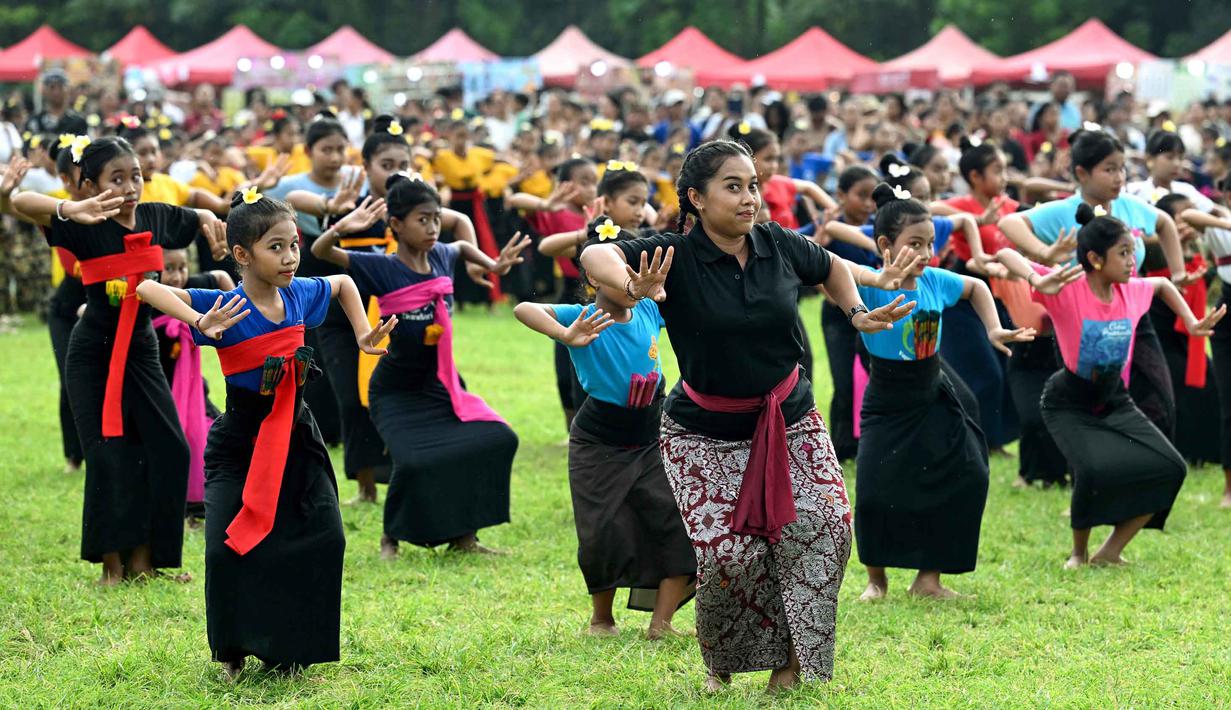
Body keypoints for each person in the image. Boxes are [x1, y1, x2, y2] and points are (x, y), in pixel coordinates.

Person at [580, 139, 914, 691]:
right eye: (732, 187)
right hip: (703, 431)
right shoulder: (674, 254)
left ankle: (791, 665)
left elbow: (831, 266)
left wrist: (856, 311)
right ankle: (724, 663)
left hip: (790, 417)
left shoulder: (777, 243)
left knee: (826, 526)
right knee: (729, 554)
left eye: (753, 185)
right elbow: (597, 256)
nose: (749, 198)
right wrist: (630, 285)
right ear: (696, 198)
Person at [136, 189, 393, 679]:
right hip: (241, 442)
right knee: (226, 547)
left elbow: (342, 282)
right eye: (276, 247)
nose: (291, 257)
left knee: (325, 537)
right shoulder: (226, 305)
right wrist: (199, 320)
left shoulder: (298, 294)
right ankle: (233, 649)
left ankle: (291, 646)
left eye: (293, 245)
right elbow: (148, 289)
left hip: (298, 436)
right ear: (242, 254)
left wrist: (362, 333)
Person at [13, 136, 228, 585]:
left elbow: (198, 215)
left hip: (142, 351)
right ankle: (112, 566)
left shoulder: (155, 215)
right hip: (94, 352)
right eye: (117, 179)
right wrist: (70, 208)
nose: (130, 187)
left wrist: (211, 220)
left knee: (169, 447)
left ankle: (147, 562)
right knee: (108, 455)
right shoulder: (83, 221)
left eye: (136, 176)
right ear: (91, 185)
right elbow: (19, 201)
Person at [996, 203, 1222, 568]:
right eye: (1124, 253)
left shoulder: (1131, 290)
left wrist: (1192, 321)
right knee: (1091, 471)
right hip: (1068, 400)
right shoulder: (1067, 287)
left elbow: (1163, 284)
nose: (1133, 261)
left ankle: (1110, 551)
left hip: (1114, 397)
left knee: (1171, 467)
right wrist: (1036, 279)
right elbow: (1006, 253)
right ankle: (1078, 553)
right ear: (1095, 259)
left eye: (1133, 251)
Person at [312, 174, 525, 557]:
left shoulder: (443, 255)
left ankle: (465, 537)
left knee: (497, 439)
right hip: (395, 391)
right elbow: (322, 250)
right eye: (422, 220)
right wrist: (343, 226)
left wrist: (492, 264)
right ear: (396, 224)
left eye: (435, 219)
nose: (431, 228)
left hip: (439, 384)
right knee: (412, 462)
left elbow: (463, 246)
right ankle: (390, 538)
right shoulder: (380, 266)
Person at [513, 220, 696, 640]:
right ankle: (602, 620)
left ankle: (661, 623)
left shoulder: (648, 309)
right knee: (602, 530)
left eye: (634, 270)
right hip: (599, 437)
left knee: (676, 522)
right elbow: (524, 309)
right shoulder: (584, 316)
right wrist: (566, 334)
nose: (631, 280)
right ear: (595, 277)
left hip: (651, 433)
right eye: (620, 271)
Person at [852, 183, 1031, 600]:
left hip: (933, 389)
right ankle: (877, 581)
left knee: (968, 473)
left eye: (930, 243)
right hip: (888, 397)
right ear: (885, 245)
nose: (925, 253)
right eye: (915, 243)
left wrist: (993, 329)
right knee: (875, 490)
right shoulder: (870, 283)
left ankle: (928, 580)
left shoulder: (934, 279)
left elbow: (976, 288)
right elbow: (828, 270)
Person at [1000, 129, 1196, 441]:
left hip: (1132, 315)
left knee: (1158, 398)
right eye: (1109, 169)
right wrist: (1044, 252)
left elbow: (1165, 223)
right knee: (1091, 408)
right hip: (1082, 322)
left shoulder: (1129, 206)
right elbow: (1009, 223)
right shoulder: (1065, 210)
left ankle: (1144, 457)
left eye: (1122, 169)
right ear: (1082, 173)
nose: (1119, 177)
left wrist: (1178, 272)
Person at [944, 139, 1068, 485]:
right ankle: (985, 441)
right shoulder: (960, 204)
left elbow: (1034, 204)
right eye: (997, 170)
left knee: (1006, 372)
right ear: (974, 176)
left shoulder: (1010, 206)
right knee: (990, 373)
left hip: (1007, 295)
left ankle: (1002, 443)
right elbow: (930, 211)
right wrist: (974, 220)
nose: (1004, 177)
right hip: (966, 294)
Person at [508, 158, 599, 433]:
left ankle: (589, 430)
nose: (591, 189)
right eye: (584, 182)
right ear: (565, 186)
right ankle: (571, 431)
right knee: (564, 371)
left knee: (594, 369)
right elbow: (514, 200)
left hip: (602, 294)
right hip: (570, 293)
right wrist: (546, 204)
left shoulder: (601, 212)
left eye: (594, 182)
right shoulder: (556, 212)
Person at [151, 247, 233, 525]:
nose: (177, 276)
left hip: (193, 391)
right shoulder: (146, 298)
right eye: (169, 269)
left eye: (182, 267)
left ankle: (202, 507)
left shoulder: (190, 290)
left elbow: (220, 276)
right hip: (158, 391)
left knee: (214, 435)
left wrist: (239, 309)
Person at [819, 165, 879, 461]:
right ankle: (841, 450)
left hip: (872, 313)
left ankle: (869, 442)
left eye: (872, 197)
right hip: (838, 318)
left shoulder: (878, 227)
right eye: (861, 195)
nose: (868, 204)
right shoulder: (831, 229)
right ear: (841, 195)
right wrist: (831, 296)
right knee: (843, 382)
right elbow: (812, 264)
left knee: (872, 379)